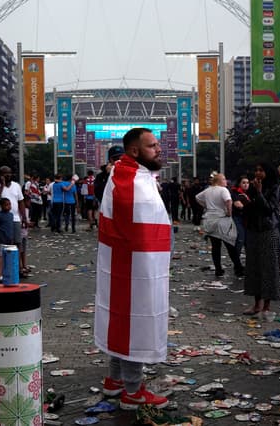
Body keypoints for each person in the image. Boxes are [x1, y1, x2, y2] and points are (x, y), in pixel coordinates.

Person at [94, 128, 171, 410]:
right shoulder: (130, 179)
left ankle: (114, 381)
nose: (159, 149)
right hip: (136, 266)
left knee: (122, 319)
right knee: (135, 324)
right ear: (135, 151)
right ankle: (133, 391)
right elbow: (134, 226)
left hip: (128, 264)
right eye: (152, 146)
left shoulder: (129, 174)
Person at [242, 163, 280, 321]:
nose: (258, 173)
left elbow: (269, 209)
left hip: (268, 231)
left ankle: (266, 306)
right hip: (254, 231)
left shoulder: (275, 188)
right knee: (254, 268)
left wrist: (260, 193)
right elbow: (250, 207)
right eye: (256, 170)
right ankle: (256, 304)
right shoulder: (253, 188)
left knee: (268, 269)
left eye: (261, 170)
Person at [196, 172, 243, 277]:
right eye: (224, 179)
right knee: (230, 244)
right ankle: (238, 267)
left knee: (215, 246)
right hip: (222, 219)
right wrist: (229, 213)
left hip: (209, 220)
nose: (226, 181)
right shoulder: (223, 190)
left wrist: (206, 206)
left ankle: (218, 269)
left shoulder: (207, 190)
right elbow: (229, 201)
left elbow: (197, 198)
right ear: (219, 181)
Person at [0, 166, 27, 259]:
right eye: (5, 173)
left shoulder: (16, 185)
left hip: (15, 219)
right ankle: (1, 265)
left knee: (17, 242)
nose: (8, 175)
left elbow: (21, 201)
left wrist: (24, 217)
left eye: (9, 173)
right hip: (0, 221)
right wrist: (2, 185)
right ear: (0, 175)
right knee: (1, 244)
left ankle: (16, 267)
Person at [0, 198, 15, 283]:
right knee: (1, 257)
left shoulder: (11, 215)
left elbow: (11, 228)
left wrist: (12, 238)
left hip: (9, 240)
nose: (9, 206)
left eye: (9, 204)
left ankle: (5, 273)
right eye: (6, 205)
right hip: (1, 240)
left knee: (7, 257)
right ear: (1, 206)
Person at [230, 176, 251, 256]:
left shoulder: (247, 193)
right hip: (238, 218)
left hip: (247, 219)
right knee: (240, 239)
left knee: (247, 240)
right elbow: (239, 205)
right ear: (239, 184)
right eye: (243, 183)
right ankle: (237, 261)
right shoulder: (235, 193)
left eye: (247, 183)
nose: (246, 185)